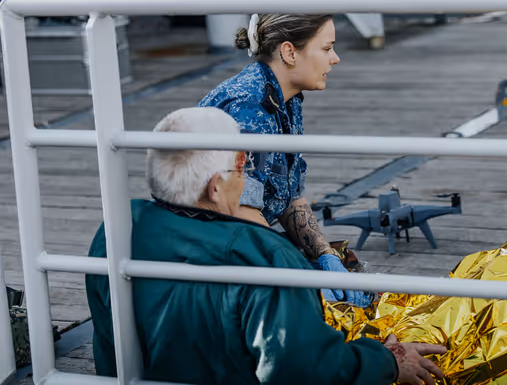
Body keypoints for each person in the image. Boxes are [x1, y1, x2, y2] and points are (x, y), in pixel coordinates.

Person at [85, 107, 447, 385]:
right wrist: (389, 361)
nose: (245, 178)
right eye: (241, 164)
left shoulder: (117, 229)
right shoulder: (266, 257)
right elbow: (302, 369)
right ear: (215, 187)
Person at [198, 14, 373, 307]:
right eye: (327, 48)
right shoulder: (250, 107)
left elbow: (289, 197)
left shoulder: (285, 98)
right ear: (290, 52)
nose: (336, 59)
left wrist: (325, 256)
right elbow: (242, 211)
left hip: (240, 243)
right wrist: (301, 275)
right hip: (210, 257)